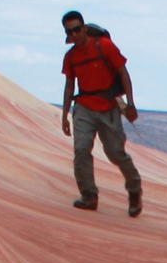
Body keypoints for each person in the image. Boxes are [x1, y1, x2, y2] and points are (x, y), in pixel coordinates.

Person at [58, 11, 141, 215]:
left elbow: (123, 72)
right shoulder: (71, 57)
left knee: (115, 153)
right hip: (84, 107)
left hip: (108, 106)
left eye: (77, 29)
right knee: (82, 149)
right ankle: (89, 196)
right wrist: (65, 115)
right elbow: (70, 86)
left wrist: (130, 103)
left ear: (84, 28)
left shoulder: (104, 46)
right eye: (70, 31)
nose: (75, 34)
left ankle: (134, 189)